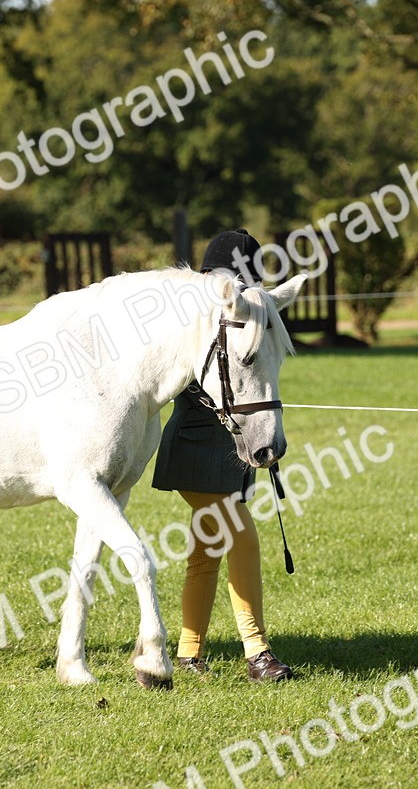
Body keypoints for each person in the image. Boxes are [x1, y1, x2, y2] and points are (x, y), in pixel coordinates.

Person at [151, 229, 294, 683]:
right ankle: (257, 653)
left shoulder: (245, 313)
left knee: (206, 552)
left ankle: (189, 654)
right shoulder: (199, 318)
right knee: (242, 537)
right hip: (195, 446)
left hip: (227, 453)